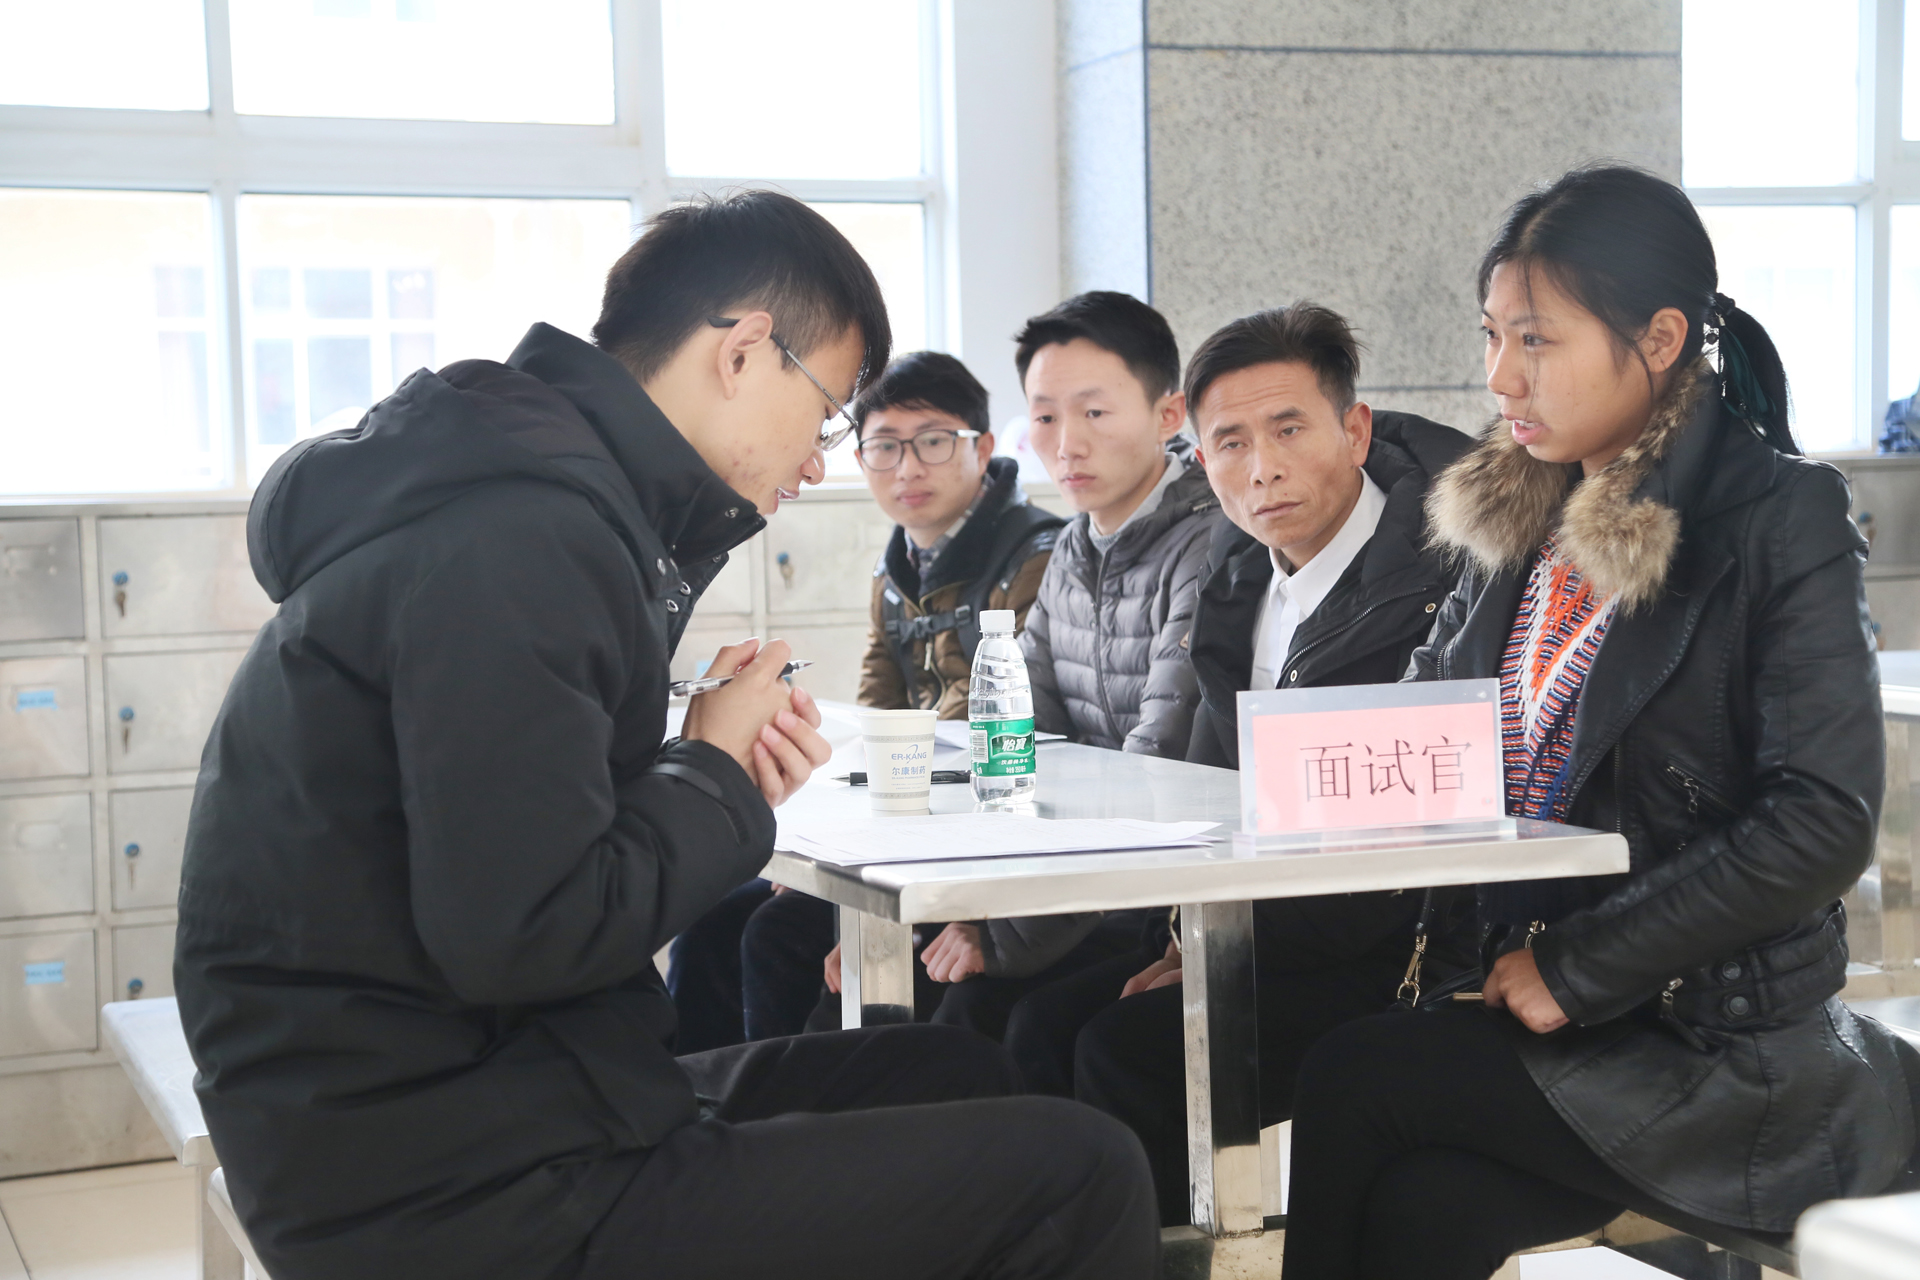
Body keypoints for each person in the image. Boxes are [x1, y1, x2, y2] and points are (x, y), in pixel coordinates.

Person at [175, 189, 1158, 1280]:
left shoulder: (530, 506)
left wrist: (704, 768)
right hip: (452, 1182)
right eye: (831, 413)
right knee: (1085, 1172)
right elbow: (526, 931)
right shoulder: (524, 538)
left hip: (476, 1101)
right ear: (743, 353)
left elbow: (518, 860)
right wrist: (711, 771)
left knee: (946, 1070)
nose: (821, 461)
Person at [1280, 165, 1919, 1280]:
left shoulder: (1780, 515)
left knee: (1353, 1074)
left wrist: (1577, 965)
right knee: (1425, 1204)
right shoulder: (1523, 507)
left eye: (1537, 340)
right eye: (1492, 336)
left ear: (1661, 338)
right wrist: (1285, 784)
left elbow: (1821, 823)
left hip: (1714, 1036)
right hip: (1552, 1012)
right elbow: (1422, 724)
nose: (1500, 376)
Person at [1001, 303, 1472, 1223]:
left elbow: (1409, 849)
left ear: (1355, 429)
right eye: (1230, 443)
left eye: (1289, 430)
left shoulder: (1440, 578)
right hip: (1256, 924)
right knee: (1039, 1026)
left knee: (1123, 1050)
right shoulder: (1238, 567)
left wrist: (1223, 950)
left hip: (1400, 944)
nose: (1262, 469)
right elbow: (1206, 783)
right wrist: (1189, 941)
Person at [670, 351, 1063, 1049]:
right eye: (884, 447)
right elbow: (876, 715)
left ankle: (782, 1107)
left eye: (933, 442)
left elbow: (988, 723)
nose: (907, 468)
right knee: (713, 919)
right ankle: (701, 1102)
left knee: (774, 934)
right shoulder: (896, 566)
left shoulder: (1035, 556)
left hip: (986, 840)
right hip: (915, 826)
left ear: (983, 448)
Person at [1017, 291, 1220, 756]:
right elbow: (1025, 722)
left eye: (1094, 412)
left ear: (1168, 416)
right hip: (1090, 799)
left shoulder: (1211, 537)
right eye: (1045, 416)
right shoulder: (1072, 544)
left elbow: (1163, 746)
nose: (1067, 446)